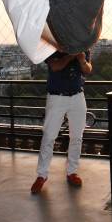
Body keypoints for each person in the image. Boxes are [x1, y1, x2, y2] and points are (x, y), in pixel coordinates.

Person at [31, 50, 92, 194]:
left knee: (77, 136)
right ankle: (42, 175)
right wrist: (72, 55)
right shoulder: (52, 46)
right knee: (49, 136)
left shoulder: (83, 46)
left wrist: (82, 60)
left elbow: (88, 69)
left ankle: (72, 171)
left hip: (77, 96)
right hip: (57, 97)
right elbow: (55, 66)